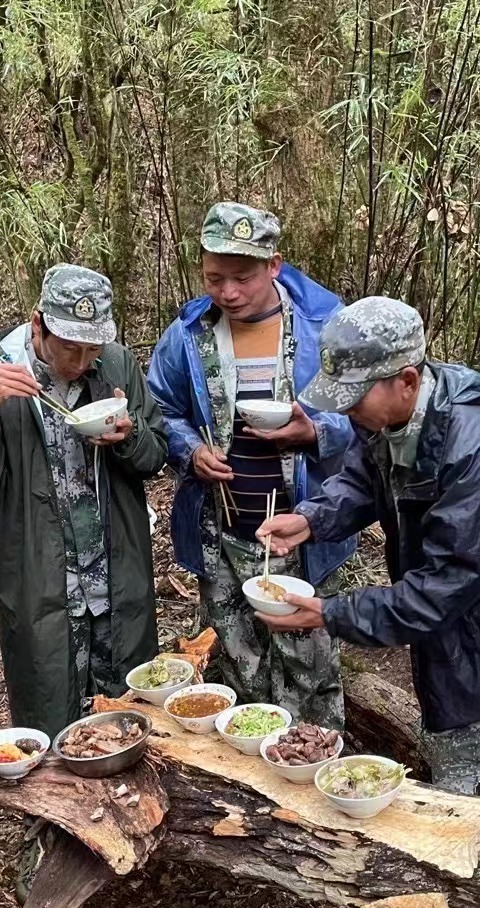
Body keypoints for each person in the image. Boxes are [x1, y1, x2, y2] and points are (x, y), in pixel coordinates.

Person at [255, 296, 480, 794]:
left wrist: (331, 613)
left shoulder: (479, 447)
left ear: (407, 379)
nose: (345, 410)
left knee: (466, 775)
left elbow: (446, 585)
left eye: (355, 397)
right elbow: (364, 478)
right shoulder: (394, 417)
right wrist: (312, 519)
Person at [147, 201, 356, 727]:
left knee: (309, 664)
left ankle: (311, 761)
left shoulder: (325, 326)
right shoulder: (189, 336)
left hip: (304, 528)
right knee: (237, 660)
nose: (228, 293)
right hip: (222, 529)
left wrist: (316, 431)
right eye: (214, 278)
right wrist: (189, 449)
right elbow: (159, 409)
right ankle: (251, 774)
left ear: (275, 265)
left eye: (243, 278)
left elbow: (366, 414)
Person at [0, 264, 167, 735]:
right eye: (70, 346)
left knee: (130, 709)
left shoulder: (118, 366)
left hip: (116, 577)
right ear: (37, 324)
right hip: (42, 581)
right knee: (51, 718)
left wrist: (130, 436)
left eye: (93, 347)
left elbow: (155, 456)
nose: (82, 360)